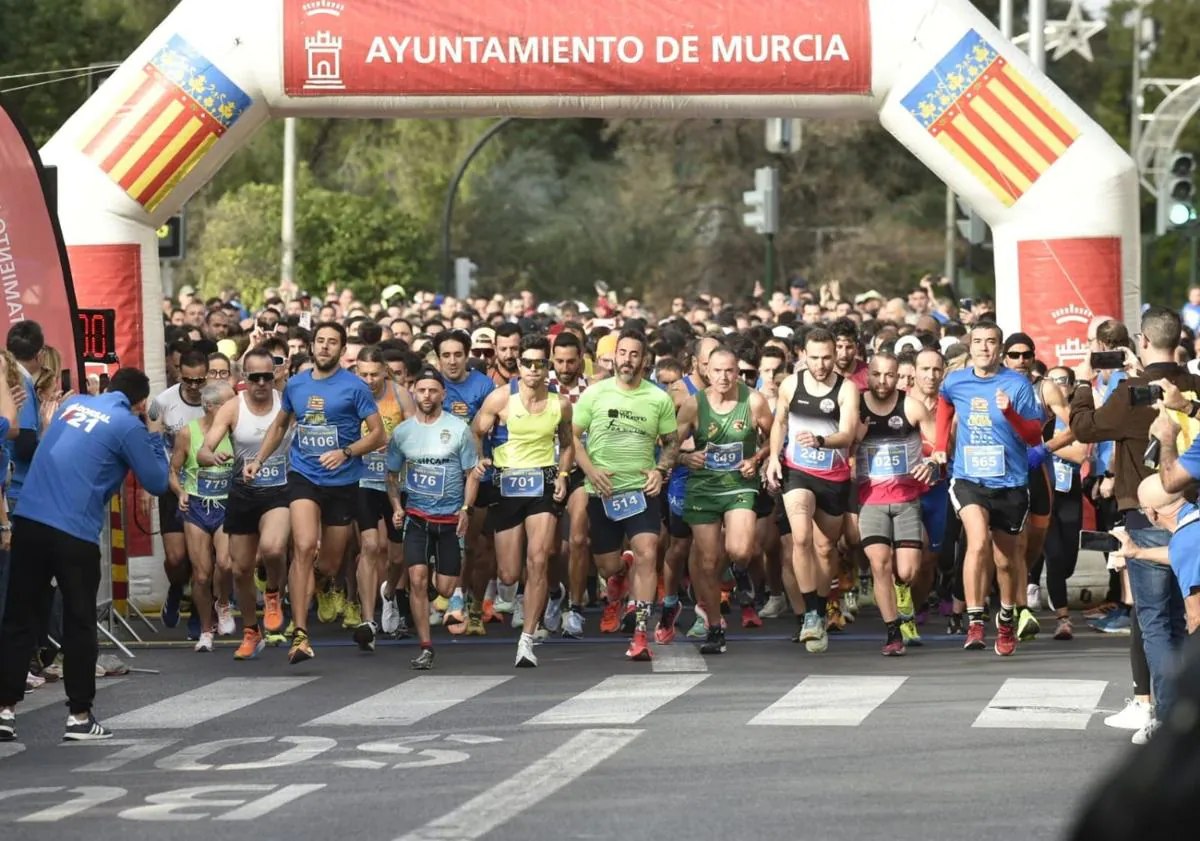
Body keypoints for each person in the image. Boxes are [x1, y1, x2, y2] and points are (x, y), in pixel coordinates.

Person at [0, 368, 170, 743]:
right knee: (79, 622)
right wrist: (155, 437)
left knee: (18, 617)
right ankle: (79, 716)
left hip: (29, 517)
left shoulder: (73, 406)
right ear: (140, 403)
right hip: (74, 530)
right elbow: (157, 482)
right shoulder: (128, 425)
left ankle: (4, 711)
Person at [248, 322, 385, 664]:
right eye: (320, 341)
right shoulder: (296, 384)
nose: (325, 347)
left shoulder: (355, 387)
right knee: (305, 546)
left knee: (328, 564)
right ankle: (300, 633)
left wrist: (347, 452)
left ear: (341, 350)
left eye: (332, 343)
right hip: (303, 476)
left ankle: (323, 585)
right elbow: (280, 425)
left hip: (342, 482)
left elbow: (379, 434)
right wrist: (259, 460)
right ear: (312, 346)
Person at [934, 322, 1044, 656]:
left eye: (991, 342)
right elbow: (944, 405)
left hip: (1010, 482)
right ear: (971, 347)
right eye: (978, 342)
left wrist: (1009, 412)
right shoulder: (956, 381)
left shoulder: (1017, 384)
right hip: (969, 479)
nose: (984, 348)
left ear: (999, 349)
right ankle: (976, 620)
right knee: (977, 541)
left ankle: (1007, 618)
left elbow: (1033, 436)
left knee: (1006, 559)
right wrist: (941, 445)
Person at [572, 329, 679, 661]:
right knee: (606, 567)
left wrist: (660, 471)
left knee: (648, 550)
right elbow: (573, 439)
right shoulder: (594, 394)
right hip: (601, 491)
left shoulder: (658, 398)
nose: (628, 360)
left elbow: (672, 442)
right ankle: (621, 569)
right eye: (623, 353)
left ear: (644, 360)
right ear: (614, 356)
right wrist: (590, 471)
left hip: (640, 490)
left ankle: (640, 633)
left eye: (635, 354)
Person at [474, 334, 574, 667]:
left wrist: (561, 475)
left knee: (539, 560)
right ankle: (544, 595)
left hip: (542, 485)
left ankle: (527, 639)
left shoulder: (560, 403)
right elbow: (476, 431)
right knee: (508, 573)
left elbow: (568, 442)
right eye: (527, 363)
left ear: (548, 366)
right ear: (519, 365)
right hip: (507, 486)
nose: (533, 369)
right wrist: (480, 460)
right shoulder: (500, 399)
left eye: (540, 363)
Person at [766, 327, 860, 654]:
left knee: (825, 549)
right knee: (801, 537)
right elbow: (779, 423)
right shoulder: (791, 384)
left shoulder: (847, 389)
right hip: (798, 473)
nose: (820, 365)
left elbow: (848, 434)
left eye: (827, 358)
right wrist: (774, 459)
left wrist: (821, 441)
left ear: (836, 357)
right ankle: (808, 615)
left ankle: (820, 610)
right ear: (803, 356)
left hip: (833, 477)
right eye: (814, 358)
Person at [673, 347, 773, 655]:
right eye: (717, 371)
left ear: (738, 372)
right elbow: (668, 446)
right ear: (707, 372)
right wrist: (686, 457)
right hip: (704, 487)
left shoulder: (753, 400)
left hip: (740, 484)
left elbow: (774, 437)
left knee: (741, 549)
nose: (724, 377)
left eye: (730, 371)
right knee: (707, 562)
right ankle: (715, 628)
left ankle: (736, 573)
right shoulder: (693, 404)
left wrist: (757, 458)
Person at [197, 348, 291, 659]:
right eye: (255, 377)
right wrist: (212, 456)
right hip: (243, 491)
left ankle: (274, 592)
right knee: (240, 570)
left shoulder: (286, 402)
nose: (262, 383)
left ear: (274, 375)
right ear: (243, 378)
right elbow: (204, 450)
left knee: (274, 548)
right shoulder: (232, 408)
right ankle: (252, 631)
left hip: (279, 489)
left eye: (267, 376)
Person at [385, 367, 479, 670]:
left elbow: (471, 474)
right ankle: (426, 646)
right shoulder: (402, 432)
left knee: (446, 588)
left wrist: (466, 509)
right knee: (417, 579)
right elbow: (391, 474)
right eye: (422, 390)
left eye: (433, 390)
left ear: (443, 394)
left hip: (450, 519)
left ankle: (444, 596)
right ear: (415, 392)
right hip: (417, 517)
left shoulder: (459, 428)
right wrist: (397, 506)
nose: (427, 395)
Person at [854, 352, 936, 655]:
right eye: (877, 375)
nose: (883, 381)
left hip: (906, 499)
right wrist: (854, 438)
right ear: (868, 376)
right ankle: (892, 633)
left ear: (900, 377)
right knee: (880, 564)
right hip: (870, 499)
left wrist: (932, 465)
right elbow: (840, 448)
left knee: (908, 572)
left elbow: (940, 446)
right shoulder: (857, 407)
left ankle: (903, 594)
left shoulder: (911, 406)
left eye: (890, 375)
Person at [353, 346, 414, 652]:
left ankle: (389, 592)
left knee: (397, 557)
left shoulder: (400, 395)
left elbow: (418, 433)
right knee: (370, 547)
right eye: (362, 374)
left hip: (396, 483)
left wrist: (393, 445)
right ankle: (368, 620)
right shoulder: (350, 394)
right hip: (363, 480)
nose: (368, 381)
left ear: (385, 373)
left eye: (374, 374)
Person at [170, 382, 236, 652]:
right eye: (229, 403)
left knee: (226, 564)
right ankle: (206, 632)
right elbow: (173, 469)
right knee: (200, 575)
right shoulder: (188, 433)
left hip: (225, 505)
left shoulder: (236, 431)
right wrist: (179, 492)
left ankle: (222, 603)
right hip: (196, 505)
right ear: (211, 407)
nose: (236, 408)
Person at [148, 348, 208, 629]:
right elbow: (155, 448)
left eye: (200, 381)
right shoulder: (163, 402)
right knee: (176, 558)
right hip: (174, 484)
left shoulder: (218, 400)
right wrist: (169, 485)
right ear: (178, 374)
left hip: (208, 487)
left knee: (203, 559)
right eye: (189, 381)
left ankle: (199, 609)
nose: (195, 388)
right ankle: (176, 588)